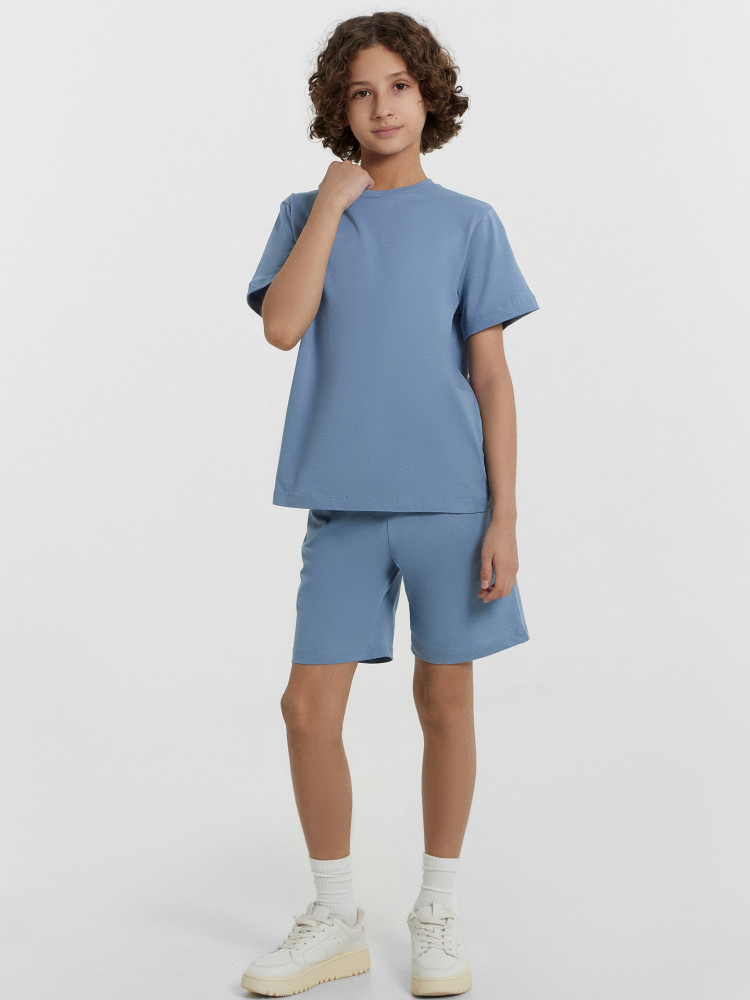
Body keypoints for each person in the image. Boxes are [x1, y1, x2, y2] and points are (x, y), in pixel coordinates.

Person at [241, 11, 540, 997]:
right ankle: (335, 916)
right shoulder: (305, 211)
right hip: (342, 502)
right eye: (360, 92)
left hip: (451, 502)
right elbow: (283, 326)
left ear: (428, 96)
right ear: (339, 108)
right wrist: (333, 203)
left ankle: (437, 909)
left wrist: (504, 516)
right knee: (306, 706)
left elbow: (490, 378)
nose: (381, 107)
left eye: (398, 87)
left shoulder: (469, 222)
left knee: (444, 700)